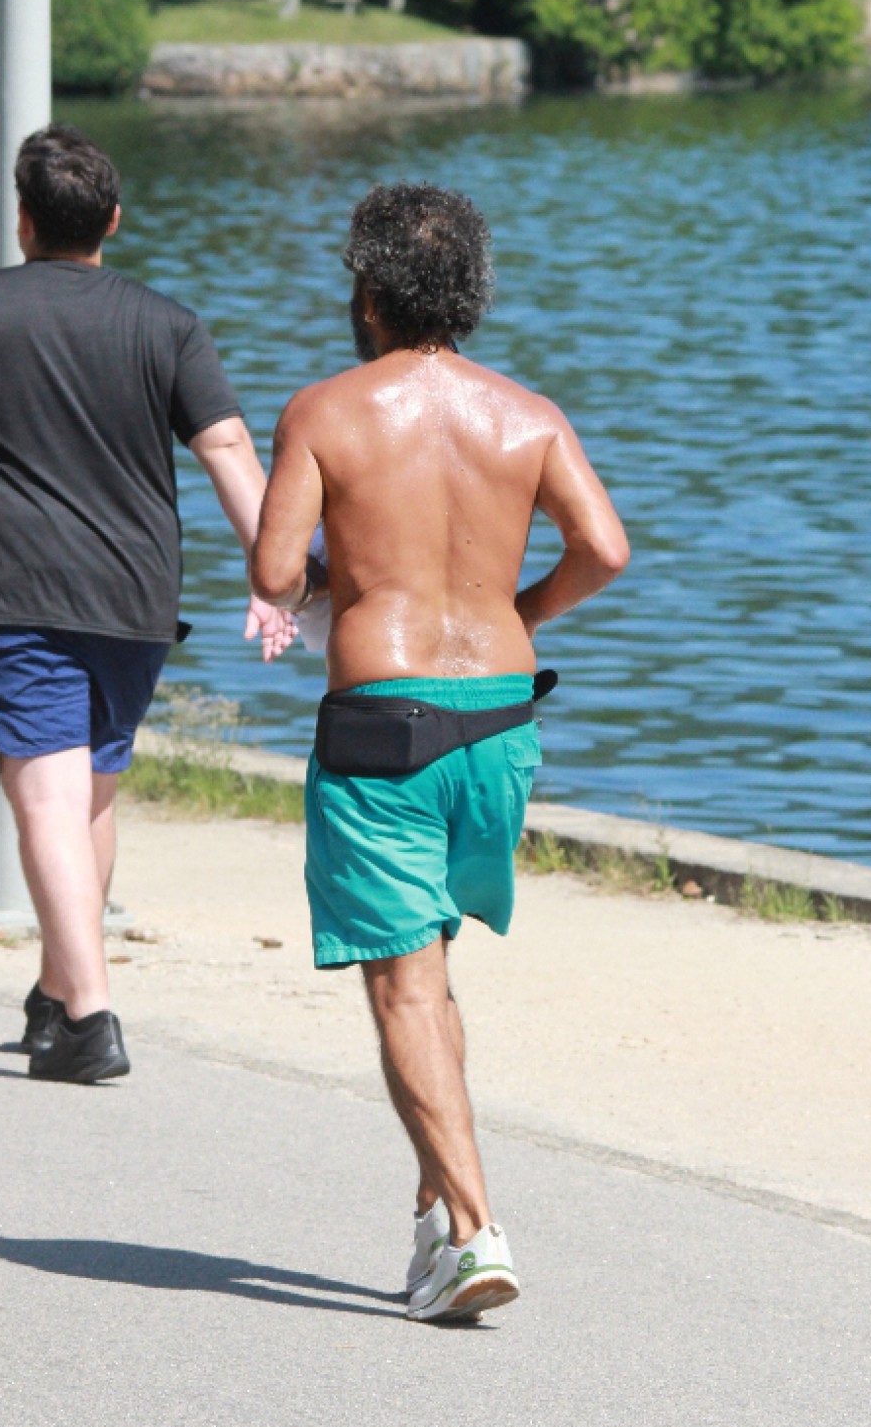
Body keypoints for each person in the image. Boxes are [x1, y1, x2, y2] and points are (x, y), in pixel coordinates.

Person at [251, 182, 629, 1323]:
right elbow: (604, 548)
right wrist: (519, 609)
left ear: (370, 293)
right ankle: (432, 1214)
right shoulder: (529, 416)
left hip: (385, 726)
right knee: (433, 964)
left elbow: (275, 574)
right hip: (502, 726)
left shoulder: (326, 411)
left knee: (403, 984)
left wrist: (340, 584)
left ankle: (473, 1232)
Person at [0, 123, 294, 1086]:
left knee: (49, 796)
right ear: (113, 219)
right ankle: (55, 988)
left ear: (23, 220)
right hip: (137, 596)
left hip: (16, 589)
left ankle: (90, 1017)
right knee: (90, 792)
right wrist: (271, 570)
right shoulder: (169, 323)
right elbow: (230, 449)